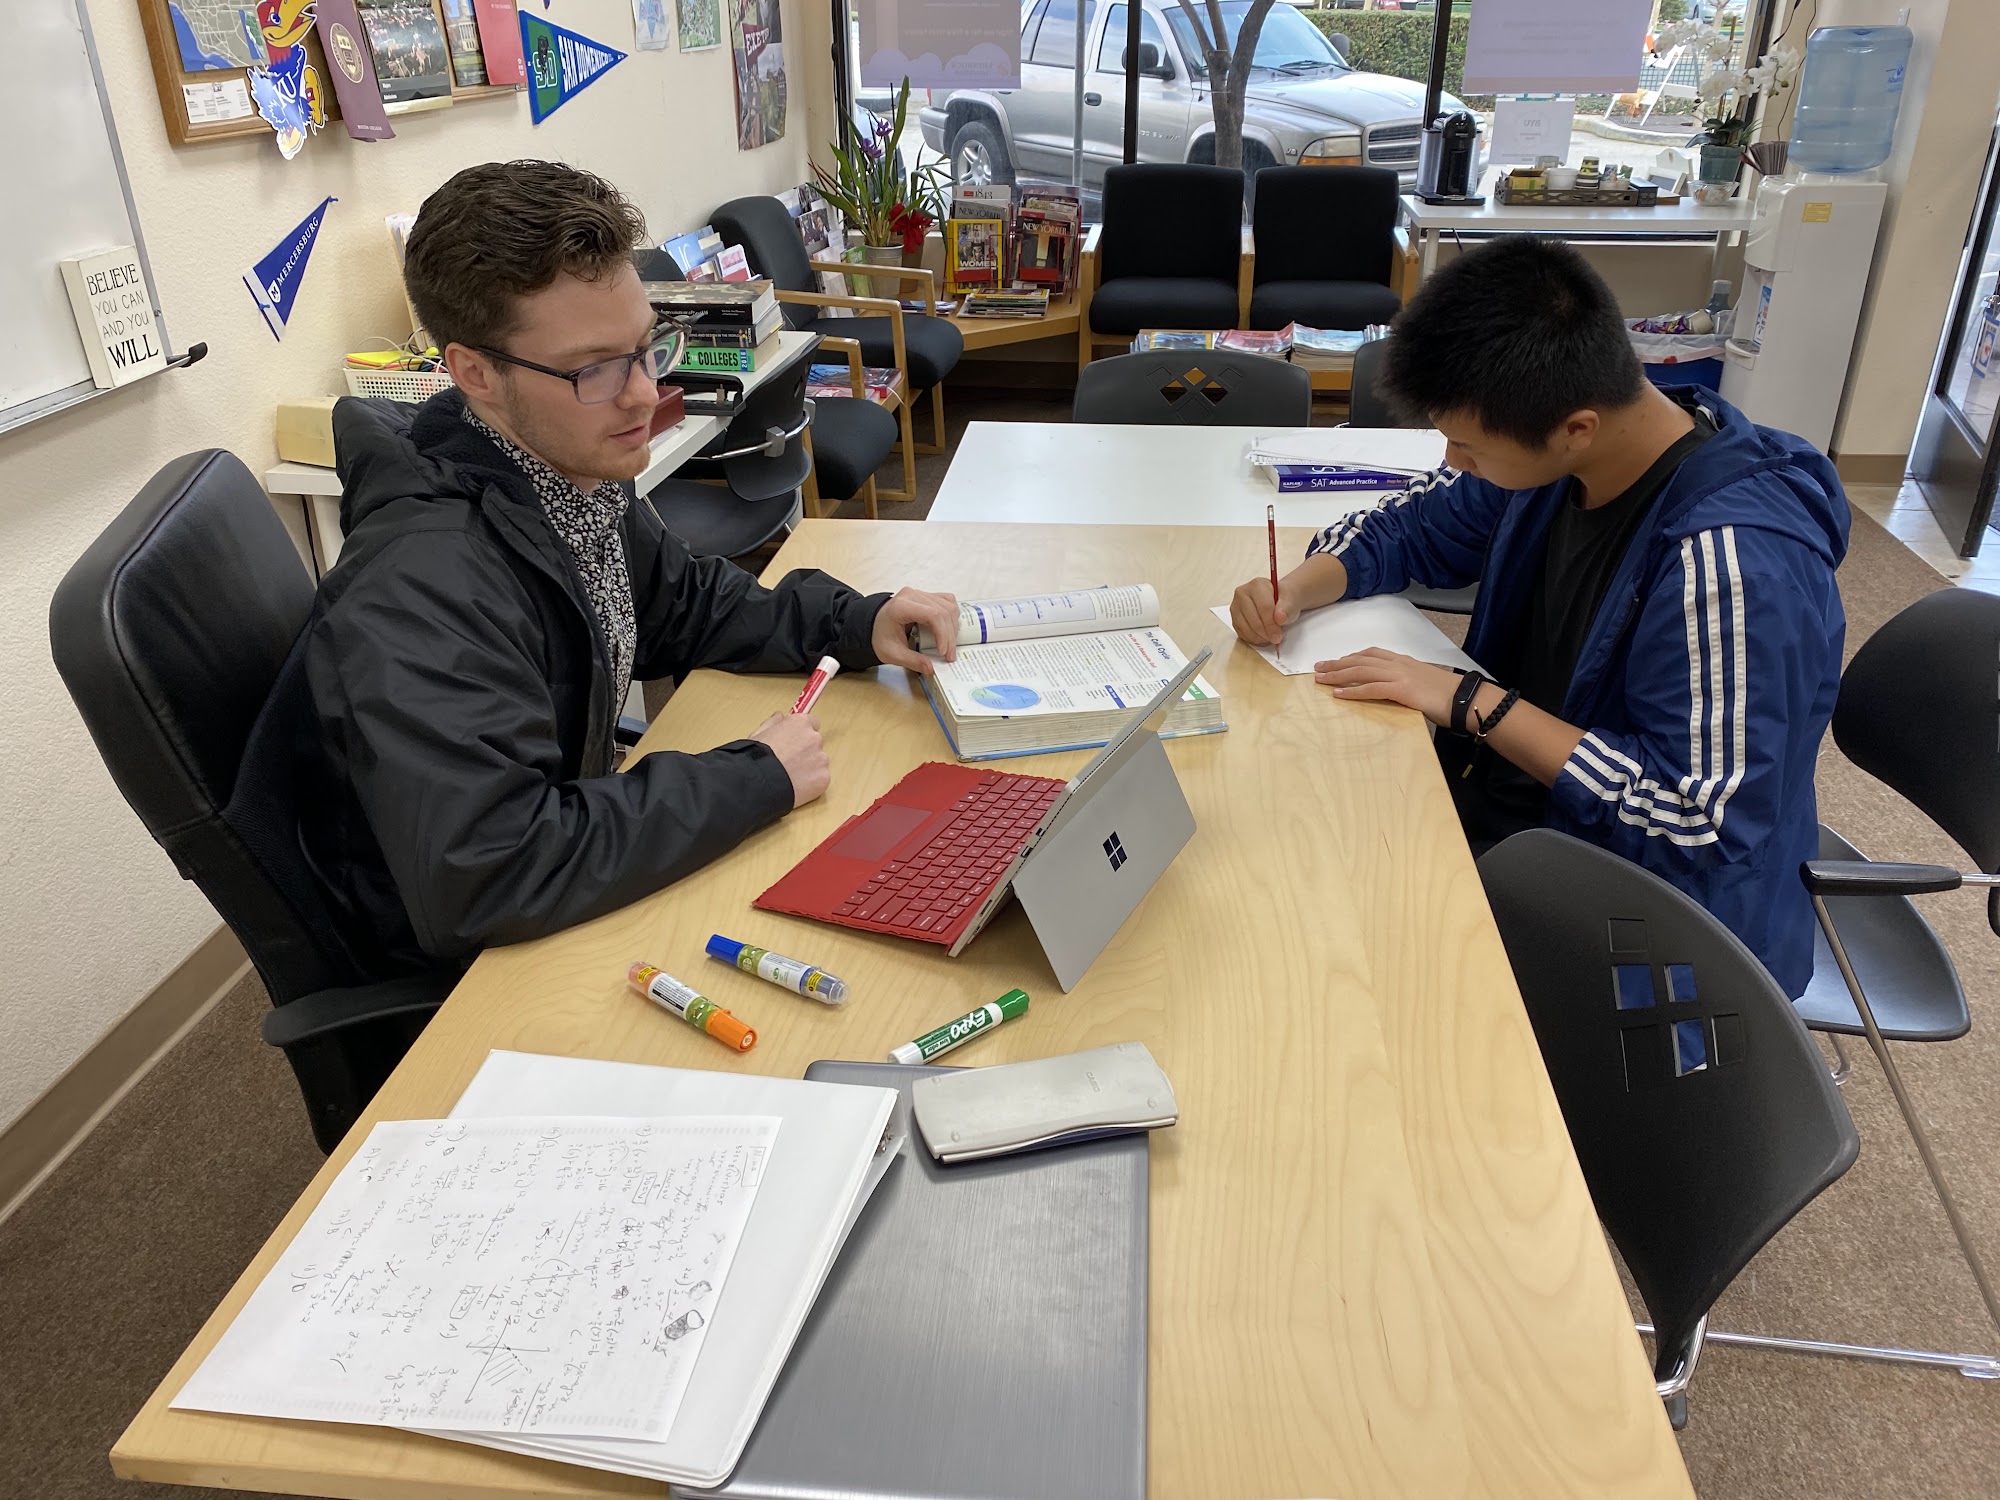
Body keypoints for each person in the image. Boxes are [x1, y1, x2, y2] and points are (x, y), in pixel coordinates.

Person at [292, 160, 959, 983]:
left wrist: (856, 621)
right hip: (475, 973)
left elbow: (685, 605)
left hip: (567, 852)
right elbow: (487, 869)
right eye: (595, 369)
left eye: (646, 348)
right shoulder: (419, 585)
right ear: (474, 374)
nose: (646, 395)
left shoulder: (562, 472)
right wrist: (751, 779)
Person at [1230, 236, 1848, 998]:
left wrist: (1472, 702)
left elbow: (1697, 827)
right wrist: (1296, 589)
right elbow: (1410, 526)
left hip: (1656, 932)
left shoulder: (1732, 567)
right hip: (1524, 816)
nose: (1453, 461)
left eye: (1466, 444)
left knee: (1324, 964)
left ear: (1575, 427)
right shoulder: (1562, 456)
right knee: (1285, 846)